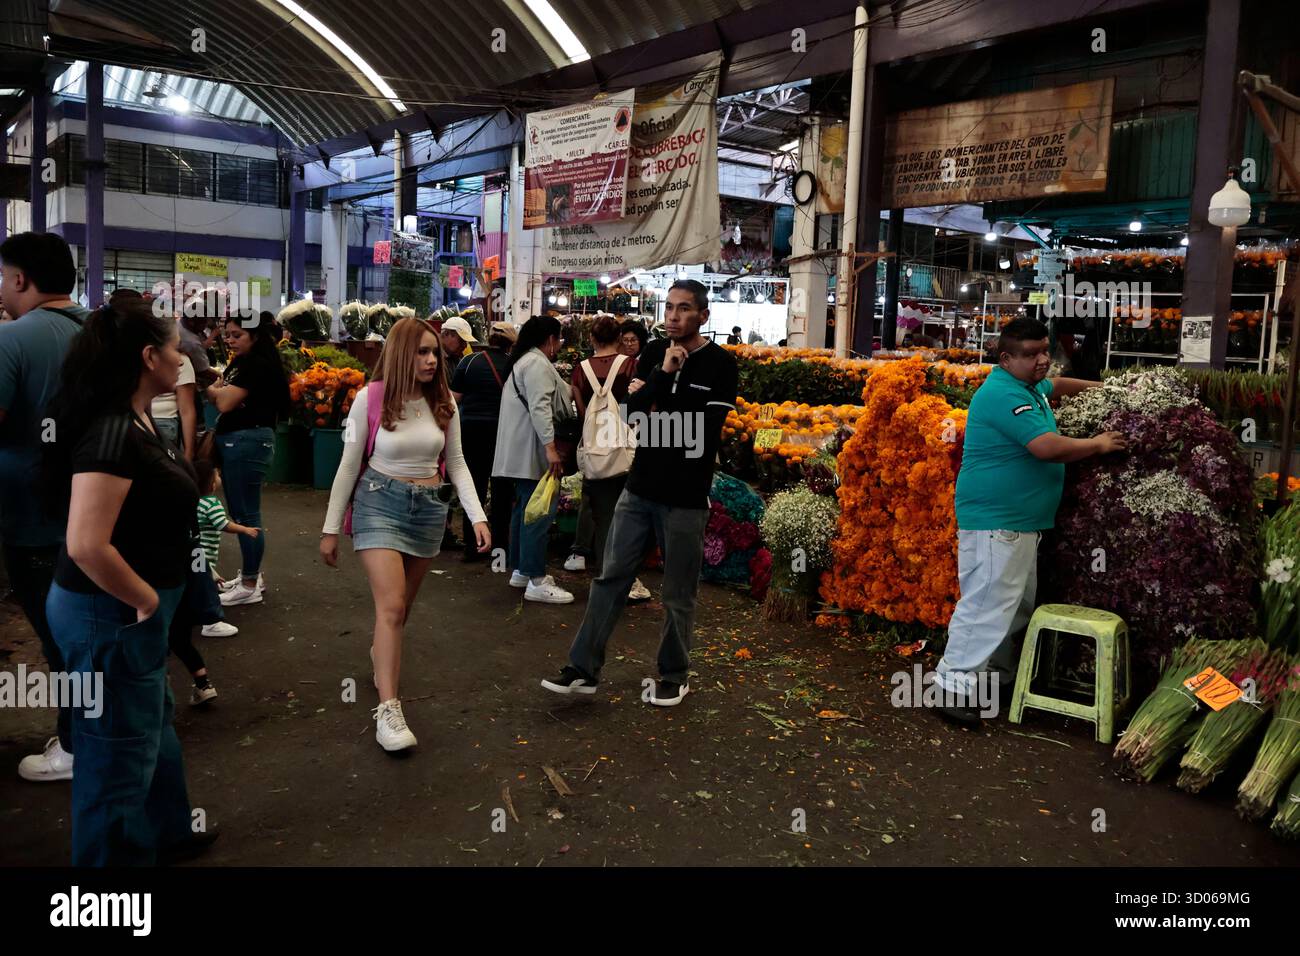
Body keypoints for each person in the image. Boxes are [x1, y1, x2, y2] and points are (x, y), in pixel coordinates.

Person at [42, 294, 215, 865]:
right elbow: (87, 544)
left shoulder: (136, 418)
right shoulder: (113, 431)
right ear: (148, 357)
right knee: (116, 752)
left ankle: (166, 833)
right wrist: (143, 600)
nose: (181, 357)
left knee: (150, 727)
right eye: (174, 349)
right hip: (109, 612)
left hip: (128, 611)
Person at [541, 279, 738, 706]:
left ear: (703, 315)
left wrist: (656, 402)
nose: (673, 316)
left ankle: (674, 674)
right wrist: (663, 375)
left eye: (684, 308)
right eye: (669, 307)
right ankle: (583, 668)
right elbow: (629, 415)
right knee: (610, 578)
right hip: (640, 488)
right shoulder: (651, 355)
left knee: (677, 592)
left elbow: (702, 434)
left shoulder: (721, 365)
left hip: (686, 497)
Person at [932, 317, 1127, 727]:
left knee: (1013, 605)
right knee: (986, 603)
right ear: (1005, 358)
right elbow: (1045, 447)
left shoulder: (1028, 386)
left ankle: (994, 680)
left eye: (1045, 351)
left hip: (1019, 522)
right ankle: (950, 687)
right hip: (995, 520)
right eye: (1031, 354)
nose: (1042, 361)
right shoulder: (1003, 395)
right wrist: (1098, 444)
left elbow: (1057, 386)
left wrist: (1109, 388)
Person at [320, 317, 489, 752]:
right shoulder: (369, 399)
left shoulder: (446, 404)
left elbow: (457, 464)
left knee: (400, 611)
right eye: (422, 352)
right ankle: (389, 709)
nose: (433, 360)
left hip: (430, 511)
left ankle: (382, 655)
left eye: (435, 351)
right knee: (392, 606)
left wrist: (477, 516)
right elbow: (347, 464)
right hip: (379, 502)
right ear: (400, 354)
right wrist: (329, 528)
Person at [0, 231, 89, 783]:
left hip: (35, 517)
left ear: (20, 279)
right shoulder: (103, 332)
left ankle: (78, 746)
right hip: (100, 515)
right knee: (90, 632)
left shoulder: (13, 340)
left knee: (60, 641)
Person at [563, 315, 651, 602]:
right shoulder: (628, 364)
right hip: (622, 447)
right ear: (619, 338)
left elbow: (581, 408)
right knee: (623, 515)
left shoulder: (580, 369)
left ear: (591, 339)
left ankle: (604, 575)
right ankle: (622, 578)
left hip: (593, 447)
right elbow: (639, 406)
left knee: (601, 515)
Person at [491, 315, 576, 605]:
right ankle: (535, 578)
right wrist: (551, 449)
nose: (560, 345)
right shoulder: (537, 364)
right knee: (539, 512)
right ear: (550, 340)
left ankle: (521, 571)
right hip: (532, 449)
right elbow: (540, 408)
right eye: (559, 339)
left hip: (519, 449)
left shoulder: (523, 361)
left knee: (524, 510)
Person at [206, 312, 290, 607]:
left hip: (246, 442)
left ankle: (250, 582)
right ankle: (250, 576)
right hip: (241, 441)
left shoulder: (256, 365)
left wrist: (214, 391)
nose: (230, 340)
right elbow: (224, 395)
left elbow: (225, 400)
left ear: (255, 336)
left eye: (237, 335)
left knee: (245, 516)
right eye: (228, 335)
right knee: (243, 513)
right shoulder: (246, 363)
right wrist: (220, 391)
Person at [450, 320, 516, 562]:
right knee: (501, 491)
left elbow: (454, 399)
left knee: (473, 487)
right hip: (503, 434)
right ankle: (499, 548)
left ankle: (472, 546)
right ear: (512, 343)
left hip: (471, 432)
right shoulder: (515, 365)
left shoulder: (469, 362)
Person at [193, 459, 256, 637]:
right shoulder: (211, 503)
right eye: (218, 475)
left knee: (198, 582)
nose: (220, 477)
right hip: (204, 554)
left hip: (194, 552)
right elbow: (223, 524)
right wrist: (245, 529)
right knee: (206, 589)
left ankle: (190, 614)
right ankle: (211, 623)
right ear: (212, 484)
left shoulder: (193, 500)